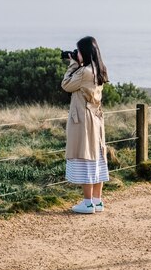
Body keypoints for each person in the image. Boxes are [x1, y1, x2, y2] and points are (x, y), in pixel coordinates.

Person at [61, 36, 109, 214]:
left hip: (83, 120)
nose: (77, 54)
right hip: (95, 118)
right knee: (97, 158)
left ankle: (87, 203)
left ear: (86, 52)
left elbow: (66, 85)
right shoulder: (99, 69)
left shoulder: (84, 72)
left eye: (79, 51)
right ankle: (97, 200)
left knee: (85, 158)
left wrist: (73, 64)